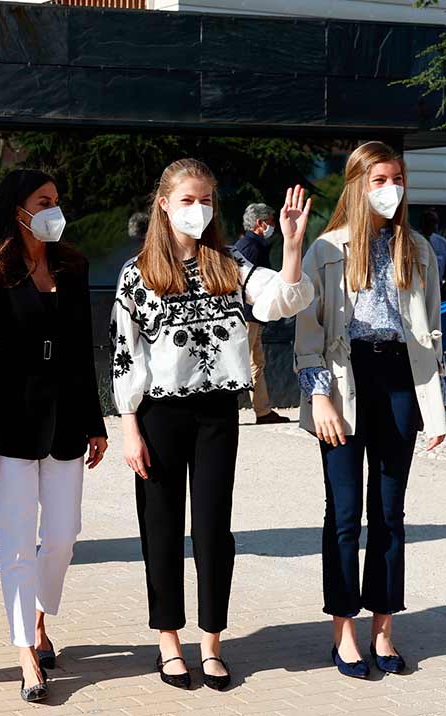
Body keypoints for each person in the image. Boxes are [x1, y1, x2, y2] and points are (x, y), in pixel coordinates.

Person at [111, 159, 313, 692]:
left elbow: (282, 301)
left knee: (213, 531)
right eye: (187, 200)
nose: (197, 210)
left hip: (218, 411)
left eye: (205, 201)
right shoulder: (138, 274)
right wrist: (128, 427)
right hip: (158, 413)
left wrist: (292, 246)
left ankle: (212, 642)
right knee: (160, 529)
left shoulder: (230, 265)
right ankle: (168, 643)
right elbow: (124, 356)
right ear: (164, 204)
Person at [294, 141, 446, 680]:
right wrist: (318, 398)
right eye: (379, 180)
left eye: (398, 178)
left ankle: (384, 627)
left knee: (389, 513)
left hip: (399, 381)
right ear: (358, 184)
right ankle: (343, 633)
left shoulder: (418, 249)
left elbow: (428, 330)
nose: (391, 189)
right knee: (343, 514)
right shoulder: (326, 249)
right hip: (343, 382)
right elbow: (308, 335)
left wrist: (434, 407)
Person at [0, 169, 108, 704]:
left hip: (68, 421)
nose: (54, 208)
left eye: (56, 199)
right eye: (43, 200)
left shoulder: (73, 265)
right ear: (18, 208)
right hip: (9, 426)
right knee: (17, 543)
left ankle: (42, 616)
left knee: (65, 533)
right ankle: (27, 650)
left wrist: (96, 423)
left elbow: (82, 351)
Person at [234, 202, 290, 425]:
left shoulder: (251, 246)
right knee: (242, 363)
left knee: (255, 361)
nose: (273, 227)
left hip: (252, 315)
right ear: (260, 223)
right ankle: (256, 410)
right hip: (247, 315)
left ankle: (263, 410)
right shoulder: (249, 248)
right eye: (271, 222)